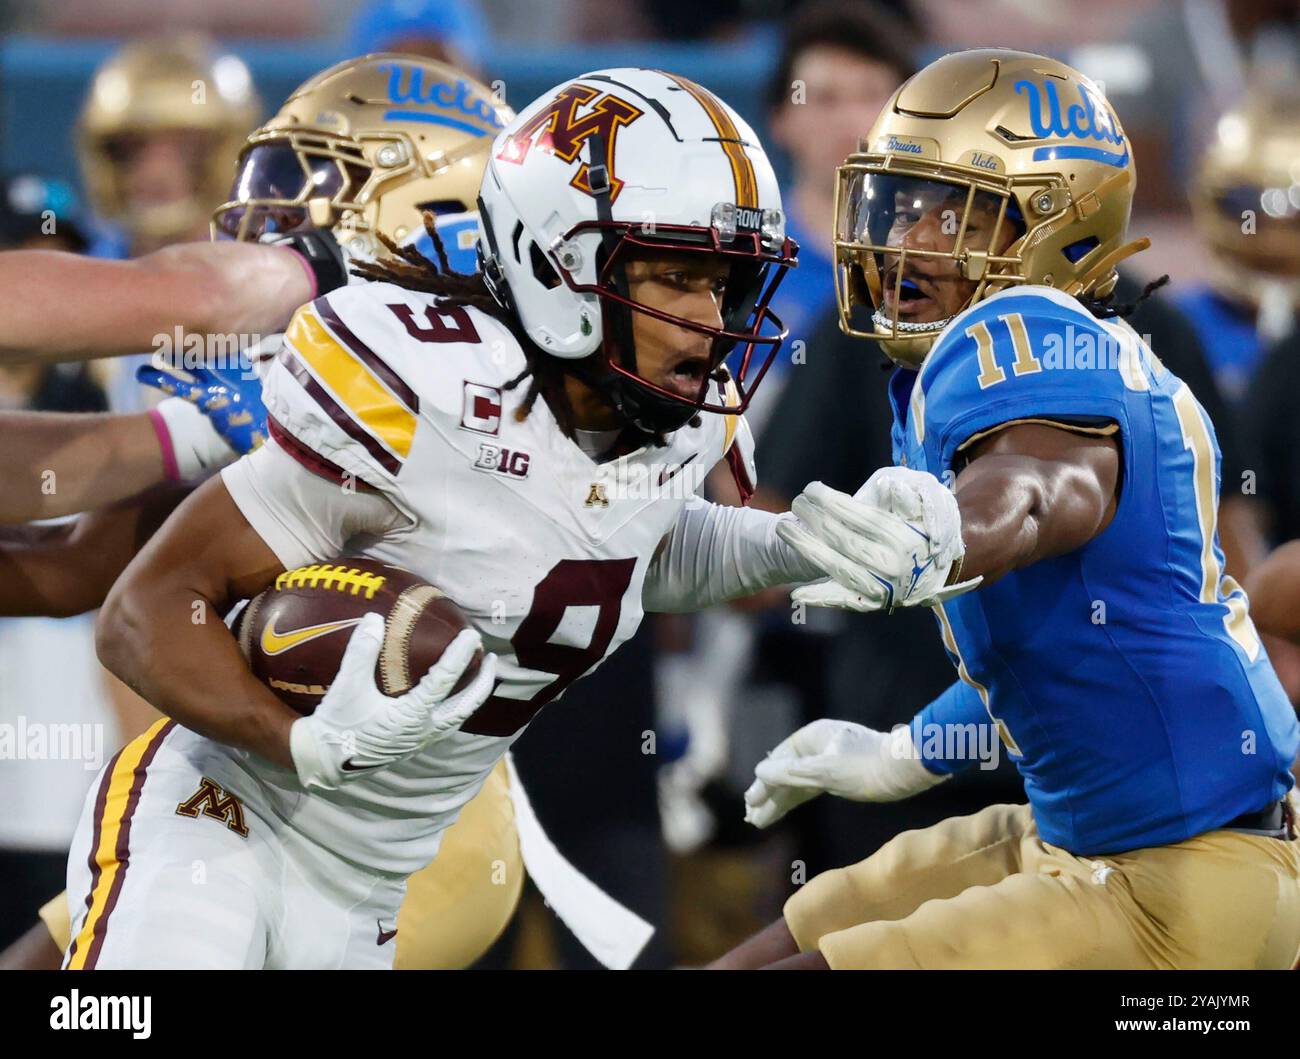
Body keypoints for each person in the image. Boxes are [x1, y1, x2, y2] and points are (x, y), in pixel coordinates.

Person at [74, 68, 913, 970]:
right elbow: (143, 612)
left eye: (727, 283)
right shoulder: (431, 394)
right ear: (561, 261)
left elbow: (640, 544)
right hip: (222, 821)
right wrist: (301, 742)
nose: (712, 322)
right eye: (675, 276)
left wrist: (786, 545)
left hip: (372, 886)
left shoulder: (669, 420)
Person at [716, 48, 1300, 971]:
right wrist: (904, 751)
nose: (904, 238)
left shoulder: (1037, 340)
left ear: (1055, 227)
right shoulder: (945, 368)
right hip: (1093, 836)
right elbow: (1065, 664)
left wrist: (951, 527)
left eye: (948, 213)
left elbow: (1037, 491)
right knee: (777, 940)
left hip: (1176, 882)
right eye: (900, 202)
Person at [1, 54, 533, 972]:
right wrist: (186, 432)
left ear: (420, 205)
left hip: (377, 835)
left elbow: (181, 295)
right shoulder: (331, 368)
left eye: (318, 186)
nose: (267, 218)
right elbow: (68, 572)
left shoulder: (431, 381)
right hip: (238, 797)